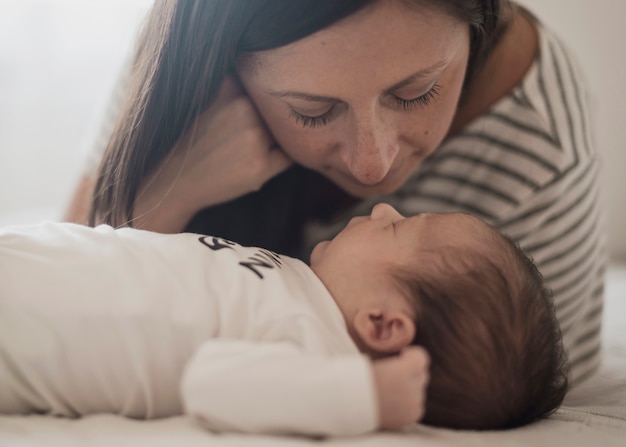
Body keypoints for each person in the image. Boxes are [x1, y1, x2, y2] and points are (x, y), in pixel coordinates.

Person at [65, 0, 604, 385]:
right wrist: (171, 190)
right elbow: (73, 297)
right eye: (312, 111)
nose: (374, 166)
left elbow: (519, 388)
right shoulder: (184, 58)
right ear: (227, 67)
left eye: (417, 92)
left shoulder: (542, 150)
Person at [0, 203, 567, 434]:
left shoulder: (314, 351)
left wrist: (363, 396)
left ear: (383, 325)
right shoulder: (303, 292)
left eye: (398, 228)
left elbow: (212, 383)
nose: (385, 208)